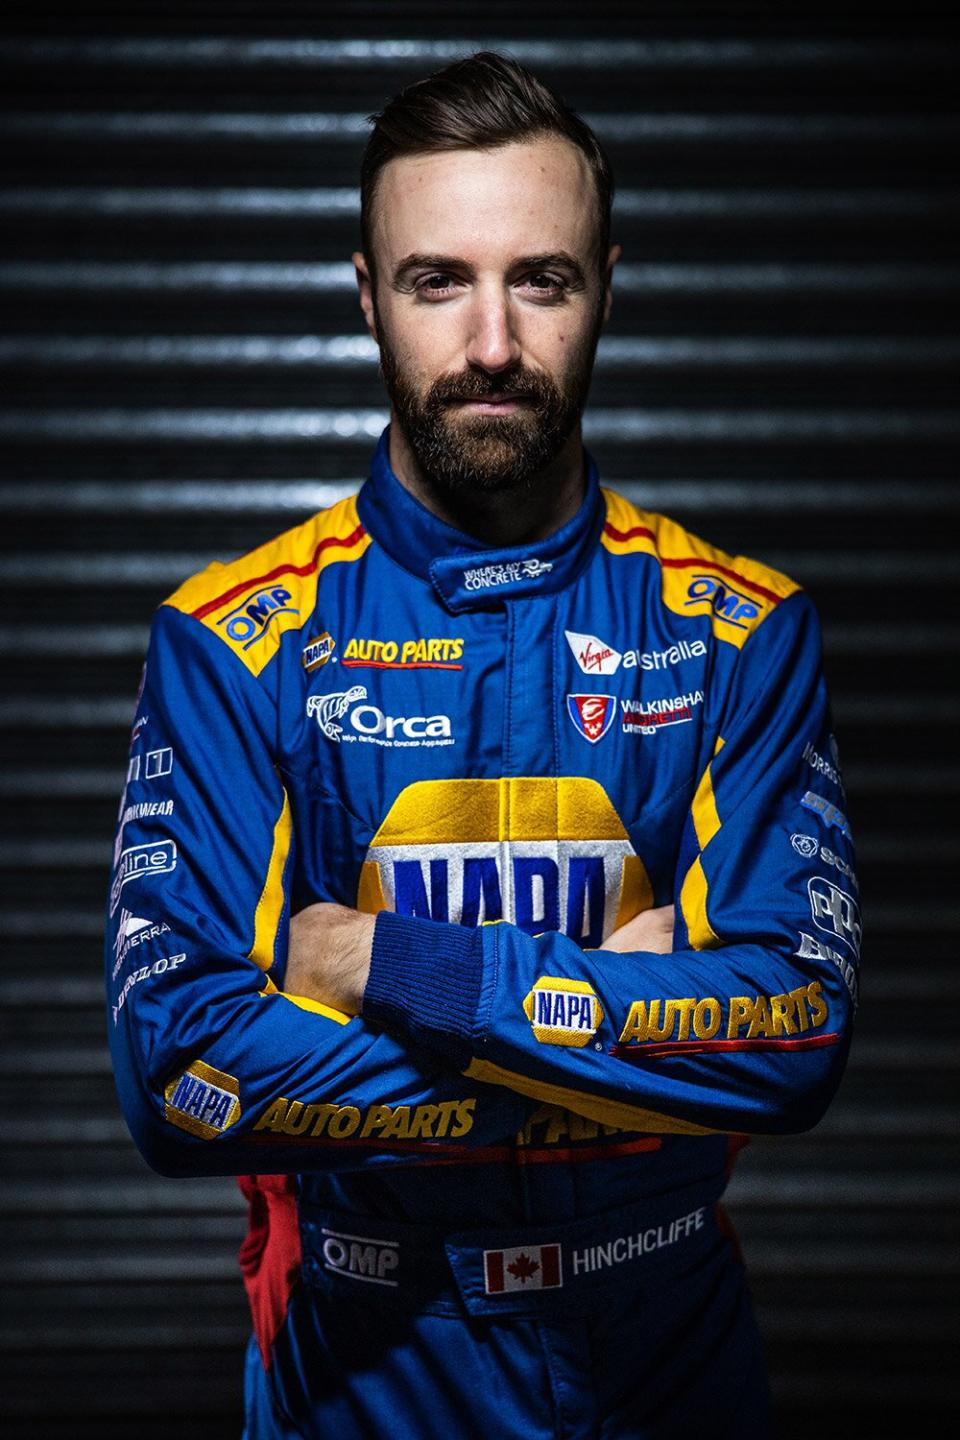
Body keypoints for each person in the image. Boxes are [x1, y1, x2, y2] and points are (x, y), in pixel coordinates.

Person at [105, 51, 860, 1439]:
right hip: (369, 1363)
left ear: (606, 288)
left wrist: (377, 964)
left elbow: (798, 1032)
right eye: (438, 280)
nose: (495, 343)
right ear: (367, 296)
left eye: (544, 281)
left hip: (671, 1351)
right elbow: (179, 1077)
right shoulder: (233, 641)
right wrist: (610, 1041)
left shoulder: (742, 630)